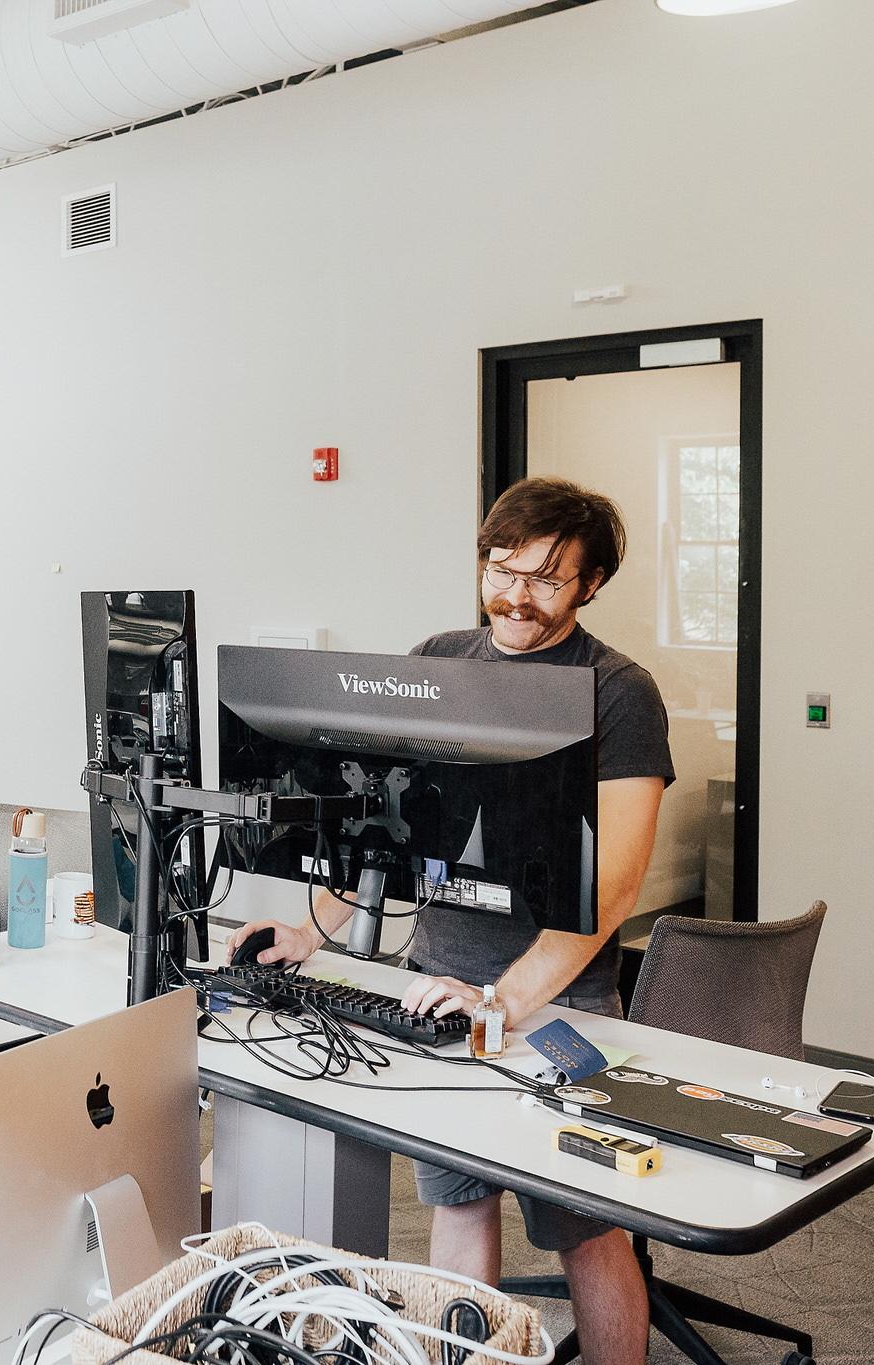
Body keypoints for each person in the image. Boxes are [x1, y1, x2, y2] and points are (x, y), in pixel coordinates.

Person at [228, 476, 671, 1365]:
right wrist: (310, 930)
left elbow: (614, 889)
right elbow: (381, 835)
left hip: (560, 1009)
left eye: (545, 579)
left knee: (585, 1229)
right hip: (437, 993)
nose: (515, 596)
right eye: (500, 569)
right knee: (460, 1204)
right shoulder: (438, 662)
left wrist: (502, 1001)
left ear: (590, 585)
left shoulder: (619, 692)